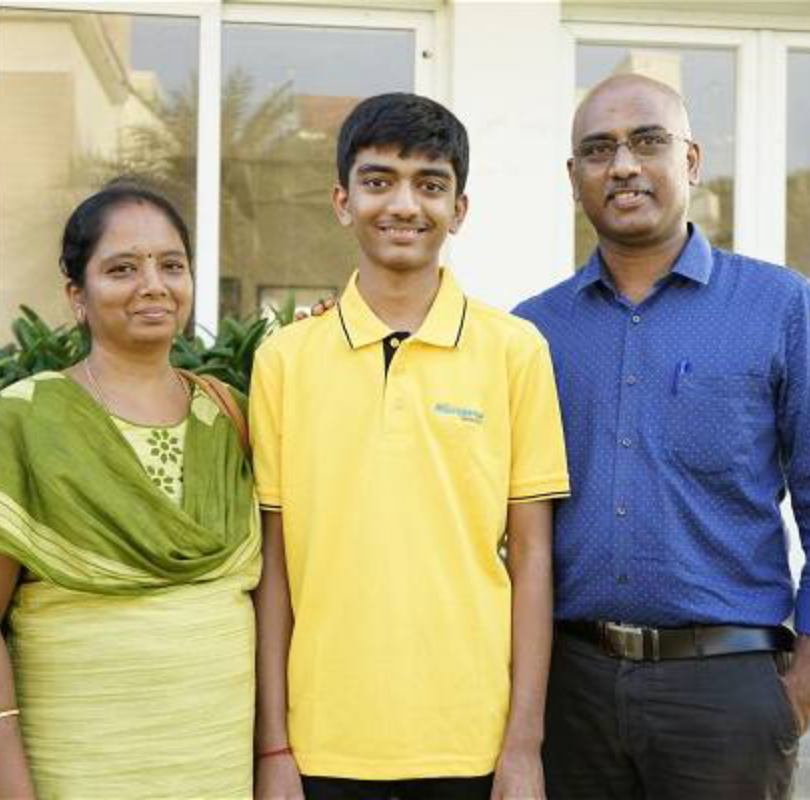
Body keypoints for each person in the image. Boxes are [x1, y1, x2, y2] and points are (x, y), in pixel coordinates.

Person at [512, 74, 810, 799]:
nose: (622, 165)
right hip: (571, 690)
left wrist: (802, 688)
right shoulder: (532, 331)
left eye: (648, 141)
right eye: (598, 149)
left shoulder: (780, 308)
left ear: (691, 160)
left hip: (726, 692)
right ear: (573, 176)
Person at [249, 93, 571, 800]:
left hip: (471, 741)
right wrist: (273, 745)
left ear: (459, 209)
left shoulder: (515, 352)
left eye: (430, 185)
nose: (403, 204)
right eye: (378, 181)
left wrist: (523, 746)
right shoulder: (284, 359)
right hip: (323, 741)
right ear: (342, 200)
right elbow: (275, 566)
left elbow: (533, 556)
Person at [0, 184, 261, 799]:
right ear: (77, 296)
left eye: (171, 265)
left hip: (217, 769)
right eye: (122, 268)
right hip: (78, 769)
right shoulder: (20, 426)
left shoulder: (226, 414)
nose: (153, 284)